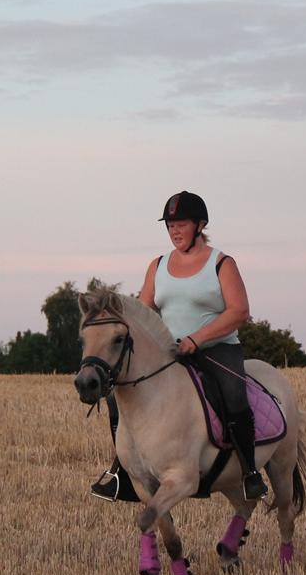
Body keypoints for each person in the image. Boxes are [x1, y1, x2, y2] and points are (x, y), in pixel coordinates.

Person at [90, 191, 268, 502]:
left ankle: (250, 471)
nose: (174, 231)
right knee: (119, 397)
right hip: (169, 353)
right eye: (170, 225)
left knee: (233, 393)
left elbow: (239, 311)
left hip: (216, 349)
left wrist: (197, 338)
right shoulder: (157, 266)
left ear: (200, 225)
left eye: (181, 224)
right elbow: (143, 314)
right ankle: (125, 472)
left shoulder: (221, 263)